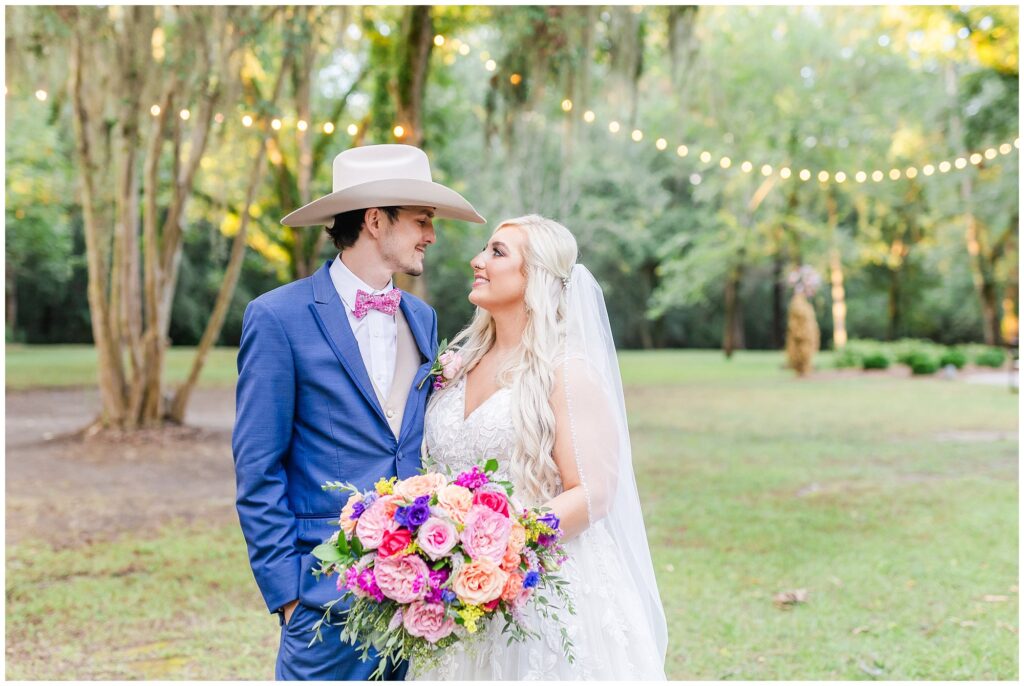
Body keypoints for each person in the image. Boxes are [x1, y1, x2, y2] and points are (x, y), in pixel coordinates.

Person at [232, 144, 485, 680]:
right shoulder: (278, 317)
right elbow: (257, 468)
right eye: (421, 220)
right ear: (375, 220)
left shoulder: (422, 317)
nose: (431, 236)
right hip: (321, 598)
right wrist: (289, 596)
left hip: (416, 601)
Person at [411, 214, 668, 679]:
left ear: (536, 276)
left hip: (541, 586)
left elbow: (592, 494)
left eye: (497, 252)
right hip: (455, 590)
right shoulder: (459, 366)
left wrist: (503, 547)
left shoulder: (567, 372)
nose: (477, 260)